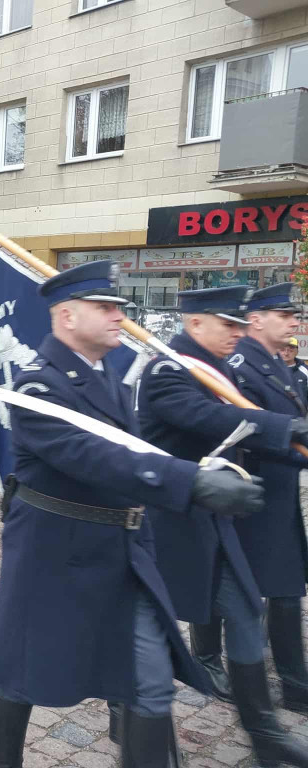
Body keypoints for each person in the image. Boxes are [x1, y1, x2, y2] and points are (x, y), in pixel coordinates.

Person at [0, 262, 263, 766]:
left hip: (122, 555)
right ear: (67, 316)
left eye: (120, 307)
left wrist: (198, 468)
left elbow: (138, 452)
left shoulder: (110, 377)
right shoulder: (36, 386)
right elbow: (96, 457)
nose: (120, 316)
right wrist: (191, 482)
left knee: (150, 682)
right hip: (54, 555)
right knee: (20, 676)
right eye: (105, 307)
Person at [138, 285, 308, 767]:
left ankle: (265, 734)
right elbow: (207, 417)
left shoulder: (215, 369)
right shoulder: (169, 369)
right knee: (145, 623)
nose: (238, 332)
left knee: (246, 612)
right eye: (228, 324)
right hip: (170, 523)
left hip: (216, 522)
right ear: (195, 324)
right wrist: (287, 428)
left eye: (240, 324)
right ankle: (129, 717)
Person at [228, 284, 308, 715]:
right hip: (254, 499)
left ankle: (294, 685)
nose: (295, 321)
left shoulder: (283, 367)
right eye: (284, 314)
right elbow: (248, 432)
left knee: (286, 591)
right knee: (254, 597)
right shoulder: (242, 368)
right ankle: (257, 692)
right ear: (255, 319)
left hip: (281, 498)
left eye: (294, 315)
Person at [280, 336, 308, 405]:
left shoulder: (305, 371)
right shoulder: (270, 368)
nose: (286, 353)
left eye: (290, 350)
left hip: (300, 414)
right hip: (276, 413)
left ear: (297, 352)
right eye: (283, 350)